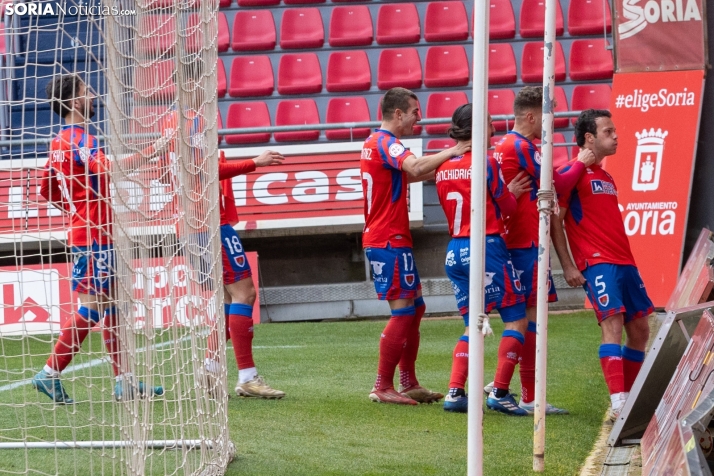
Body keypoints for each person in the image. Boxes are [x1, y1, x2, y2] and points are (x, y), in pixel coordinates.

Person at [33, 74, 169, 403]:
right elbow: (107, 167)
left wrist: (77, 208)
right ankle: (49, 373)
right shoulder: (81, 139)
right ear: (75, 102)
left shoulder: (58, 142)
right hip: (95, 235)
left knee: (112, 306)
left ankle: (124, 381)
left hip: (88, 230)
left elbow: (46, 188)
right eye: (86, 92)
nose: (93, 96)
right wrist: (153, 150)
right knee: (93, 308)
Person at [159, 61, 285, 399]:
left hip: (187, 224)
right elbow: (208, 169)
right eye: (206, 78)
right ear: (194, 82)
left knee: (227, 299)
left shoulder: (169, 124)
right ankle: (247, 377)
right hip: (208, 222)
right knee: (244, 294)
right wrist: (254, 163)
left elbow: (161, 173)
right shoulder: (195, 121)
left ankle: (211, 368)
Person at [361, 87, 470, 405]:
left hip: (389, 237)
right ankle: (383, 385)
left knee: (416, 307)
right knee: (404, 311)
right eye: (414, 112)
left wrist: (448, 166)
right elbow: (414, 168)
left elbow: (405, 177)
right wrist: (453, 152)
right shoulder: (387, 143)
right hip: (387, 238)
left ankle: (408, 381)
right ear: (397, 114)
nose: (418, 119)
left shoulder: (374, 144)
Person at [493, 86, 598, 415]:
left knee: (524, 321)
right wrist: (580, 162)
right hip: (523, 246)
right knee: (528, 322)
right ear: (530, 116)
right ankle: (514, 393)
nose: (548, 123)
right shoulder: (522, 146)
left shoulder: (503, 146)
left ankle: (518, 392)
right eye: (546, 115)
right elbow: (559, 184)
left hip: (513, 242)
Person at [552, 109, 652, 421]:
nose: (616, 136)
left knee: (641, 330)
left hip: (625, 262)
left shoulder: (606, 176)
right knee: (613, 326)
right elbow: (557, 220)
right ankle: (619, 405)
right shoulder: (572, 172)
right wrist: (568, 265)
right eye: (608, 132)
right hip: (597, 264)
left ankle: (631, 400)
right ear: (589, 138)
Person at [435, 105, 532, 415]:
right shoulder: (486, 162)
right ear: (478, 128)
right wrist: (511, 192)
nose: (493, 129)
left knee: (471, 325)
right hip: (486, 246)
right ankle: (500, 392)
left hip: (454, 249)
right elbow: (507, 208)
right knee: (517, 318)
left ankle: (454, 392)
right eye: (489, 123)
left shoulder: (443, 167)